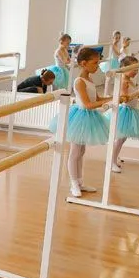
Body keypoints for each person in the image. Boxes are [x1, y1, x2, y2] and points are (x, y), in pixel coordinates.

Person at [49, 47, 111, 197]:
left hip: (88, 117)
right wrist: (106, 102)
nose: (98, 66)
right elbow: (88, 104)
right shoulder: (79, 81)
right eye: (95, 63)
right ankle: (73, 184)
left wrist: (113, 98)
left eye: (98, 62)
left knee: (81, 152)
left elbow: (97, 99)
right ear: (84, 63)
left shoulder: (89, 80)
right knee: (75, 152)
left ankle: (80, 182)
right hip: (81, 117)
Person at [106, 56, 139, 172]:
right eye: (134, 69)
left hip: (131, 110)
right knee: (119, 139)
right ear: (125, 67)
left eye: (137, 69)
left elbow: (136, 96)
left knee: (122, 139)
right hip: (125, 111)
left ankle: (114, 159)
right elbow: (125, 98)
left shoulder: (129, 80)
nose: (136, 72)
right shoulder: (123, 81)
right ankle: (111, 162)